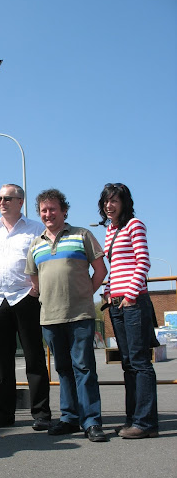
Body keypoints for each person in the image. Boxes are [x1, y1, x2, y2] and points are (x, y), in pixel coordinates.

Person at [26, 189, 108, 442]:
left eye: (52, 209)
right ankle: (69, 418)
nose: (48, 214)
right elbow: (34, 280)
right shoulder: (36, 243)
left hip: (79, 315)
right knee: (63, 369)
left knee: (84, 368)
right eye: (43, 210)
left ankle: (91, 421)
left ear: (64, 211)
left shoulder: (82, 235)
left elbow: (100, 271)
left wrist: (85, 295)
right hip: (50, 318)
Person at [0, 184, 52, 430]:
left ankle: (41, 414)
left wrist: (38, 287)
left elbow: (48, 260)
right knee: (2, 361)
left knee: (34, 358)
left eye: (7, 198)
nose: (2, 201)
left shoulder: (37, 230)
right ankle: (4, 415)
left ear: (20, 202)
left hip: (26, 299)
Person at [98, 183, 158, 438]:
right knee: (127, 363)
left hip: (134, 302)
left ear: (124, 203)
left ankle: (146, 424)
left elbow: (143, 262)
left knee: (140, 362)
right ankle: (132, 419)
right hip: (117, 302)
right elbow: (116, 268)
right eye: (106, 201)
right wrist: (110, 290)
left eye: (114, 201)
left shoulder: (135, 225)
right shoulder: (110, 231)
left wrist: (131, 295)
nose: (109, 206)